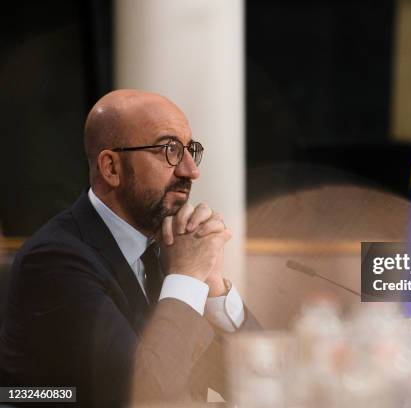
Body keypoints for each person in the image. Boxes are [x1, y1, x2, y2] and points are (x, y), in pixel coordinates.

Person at [0, 90, 258, 407]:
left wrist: (213, 286)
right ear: (111, 168)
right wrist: (188, 276)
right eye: (169, 150)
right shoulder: (55, 261)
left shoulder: (170, 248)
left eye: (190, 150)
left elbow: (257, 381)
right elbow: (144, 394)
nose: (191, 170)